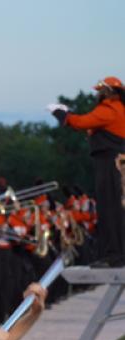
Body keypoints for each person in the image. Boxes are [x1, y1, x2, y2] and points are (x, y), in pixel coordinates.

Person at [49, 76, 125, 267]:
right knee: (116, 209)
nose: (98, 94)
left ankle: (114, 256)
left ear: (109, 92)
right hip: (117, 163)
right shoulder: (119, 110)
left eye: (101, 90)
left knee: (109, 209)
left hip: (110, 164)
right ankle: (117, 254)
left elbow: (82, 122)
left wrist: (65, 116)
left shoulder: (109, 108)